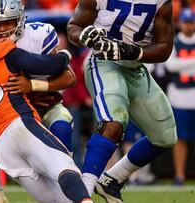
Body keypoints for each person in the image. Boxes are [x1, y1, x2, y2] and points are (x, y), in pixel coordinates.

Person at [0, 23, 93, 203]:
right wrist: (65, 54)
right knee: (65, 168)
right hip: (21, 126)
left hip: (3, 148)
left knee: (58, 200)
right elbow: (47, 66)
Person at [0, 0, 77, 202]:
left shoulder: (38, 35)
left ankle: (62, 190)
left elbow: (69, 77)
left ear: (20, 19)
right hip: (7, 114)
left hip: (44, 105)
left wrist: (32, 86)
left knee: (62, 125)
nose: (2, 29)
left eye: (7, 22)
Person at [67, 0, 177, 202]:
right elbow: (74, 26)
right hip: (103, 62)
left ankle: (112, 180)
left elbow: (164, 48)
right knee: (113, 122)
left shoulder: (162, 2)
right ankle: (82, 194)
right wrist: (83, 37)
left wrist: (133, 51)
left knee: (166, 136)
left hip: (135, 68)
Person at [165, 8, 195, 186]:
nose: (188, 25)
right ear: (180, 23)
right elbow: (171, 66)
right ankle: (179, 174)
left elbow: (177, 65)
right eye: (186, 22)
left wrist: (182, 65)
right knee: (180, 138)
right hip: (179, 96)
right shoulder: (174, 42)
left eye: (191, 22)